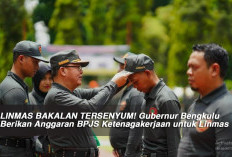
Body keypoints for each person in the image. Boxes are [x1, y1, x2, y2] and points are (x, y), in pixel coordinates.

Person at [44, 49, 129, 157]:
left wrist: (124, 77)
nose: (81, 71)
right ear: (63, 71)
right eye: (77, 67)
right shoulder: (57, 95)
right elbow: (90, 108)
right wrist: (114, 83)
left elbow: (102, 92)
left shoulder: (72, 92)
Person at [178, 43, 232, 157]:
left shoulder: (226, 110)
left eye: (194, 67)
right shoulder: (195, 105)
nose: (188, 72)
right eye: (189, 67)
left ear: (214, 69)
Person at [124, 54, 181, 157]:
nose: (135, 87)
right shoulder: (147, 97)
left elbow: (174, 144)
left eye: (136, 82)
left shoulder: (167, 99)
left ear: (147, 73)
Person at [0, 40, 48, 157]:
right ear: (21, 59)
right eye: (34, 62)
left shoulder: (18, 85)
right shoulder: (14, 89)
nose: (37, 67)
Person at [110, 52, 144, 157]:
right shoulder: (128, 90)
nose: (118, 70)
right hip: (123, 151)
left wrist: (128, 153)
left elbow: (137, 128)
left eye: (122, 67)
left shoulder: (137, 92)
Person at [29, 62, 52, 157]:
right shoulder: (28, 100)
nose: (47, 82)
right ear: (36, 79)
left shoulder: (55, 100)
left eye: (50, 78)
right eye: (43, 78)